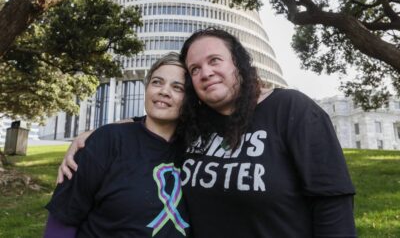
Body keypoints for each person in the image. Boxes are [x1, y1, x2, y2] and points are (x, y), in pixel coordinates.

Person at [58, 28, 357, 237]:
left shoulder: (292, 109)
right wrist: (92, 136)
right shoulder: (199, 125)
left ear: (238, 63)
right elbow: (154, 119)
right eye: (195, 69)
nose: (206, 72)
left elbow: (333, 205)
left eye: (215, 60)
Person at [44, 52, 191, 237]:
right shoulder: (106, 141)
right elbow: (63, 220)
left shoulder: (196, 147)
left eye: (178, 88)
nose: (164, 91)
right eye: (157, 82)